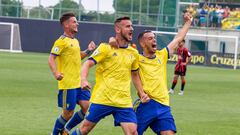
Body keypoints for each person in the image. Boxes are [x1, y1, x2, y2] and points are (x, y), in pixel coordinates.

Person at [71, 16, 150, 135]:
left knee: (133, 133)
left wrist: (142, 92)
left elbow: (134, 74)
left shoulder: (133, 52)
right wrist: (83, 79)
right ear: (118, 29)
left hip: (123, 101)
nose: (132, 29)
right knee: (84, 129)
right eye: (128, 26)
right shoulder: (105, 48)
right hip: (102, 98)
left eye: (132, 26)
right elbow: (87, 63)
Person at [134, 12, 192, 135]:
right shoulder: (136, 59)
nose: (154, 40)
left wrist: (188, 22)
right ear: (142, 44)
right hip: (147, 103)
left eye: (154, 38)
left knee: (168, 133)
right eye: (150, 38)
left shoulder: (162, 54)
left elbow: (178, 38)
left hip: (163, 105)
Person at [48, 12, 96, 135]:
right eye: (74, 21)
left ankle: (66, 131)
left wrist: (89, 50)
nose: (77, 23)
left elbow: (78, 56)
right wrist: (56, 73)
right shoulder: (61, 41)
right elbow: (51, 59)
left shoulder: (75, 41)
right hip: (67, 84)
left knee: (87, 108)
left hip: (79, 83)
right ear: (66, 24)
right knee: (68, 113)